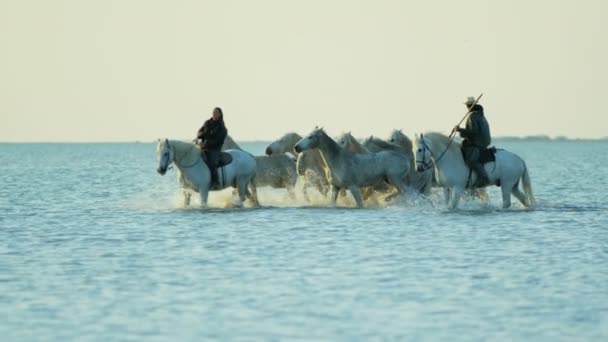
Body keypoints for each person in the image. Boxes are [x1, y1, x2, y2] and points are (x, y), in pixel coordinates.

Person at [453, 96, 491, 187]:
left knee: (471, 161)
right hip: (484, 142)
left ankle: (483, 178)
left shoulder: (472, 116)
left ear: (469, 106)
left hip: (477, 143)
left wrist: (459, 130)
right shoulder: (481, 115)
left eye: (467, 105)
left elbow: (474, 132)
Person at [195, 107, 228, 185]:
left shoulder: (222, 128)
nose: (214, 114)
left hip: (214, 149)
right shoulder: (207, 122)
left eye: (216, 112)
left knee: (212, 163)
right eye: (213, 112)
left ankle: (215, 182)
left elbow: (218, 141)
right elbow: (200, 131)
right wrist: (199, 137)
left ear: (220, 114)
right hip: (203, 146)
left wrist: (206, 144)